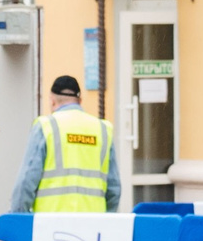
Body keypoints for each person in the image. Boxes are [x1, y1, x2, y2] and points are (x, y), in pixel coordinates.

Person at [7, 75, 121, 214]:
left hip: (51, 224)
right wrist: (106, 218)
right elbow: (114, 188)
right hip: (93, 225)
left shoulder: (46, 126)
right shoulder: (103, 129)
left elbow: (27, 181)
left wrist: (18, 218)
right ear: (80, 100)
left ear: (52, 101)